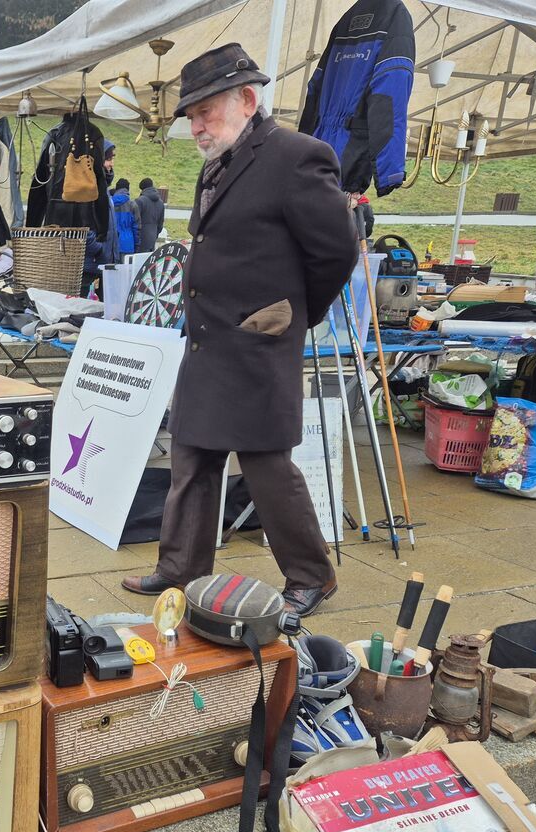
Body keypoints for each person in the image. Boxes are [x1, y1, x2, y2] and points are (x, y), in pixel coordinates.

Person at [120, 44, 357, 617]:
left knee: (267, 466)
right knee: (192, 459)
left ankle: (311, 576)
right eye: (192, 115)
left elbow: (336, 252)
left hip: (257, 342)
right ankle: (180, 570)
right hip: (208, 341)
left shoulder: (298, 157)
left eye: (206, 111)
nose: (196, 126)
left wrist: (293, 314)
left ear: (248, 100)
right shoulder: (220, 160)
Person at [81, 141, 120, 298]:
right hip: (90, 267)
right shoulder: (88, 189)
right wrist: (98, 249)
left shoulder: (102, 189)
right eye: (108, 159)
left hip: (102, 264)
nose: (112, 164)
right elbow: (83, 227)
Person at [111, 178, 142, 257]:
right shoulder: (132, 205)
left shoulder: (109, 203)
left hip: (111, 243)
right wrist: (137, 244)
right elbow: (136, 228)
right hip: (128, 244)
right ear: (127, 189)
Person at [134, 177, 164, 253]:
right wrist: (155, 234)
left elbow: (135, 221)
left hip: (141, 237)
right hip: (153, 237)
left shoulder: (140, 201)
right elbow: (160, 224)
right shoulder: (160, 203)